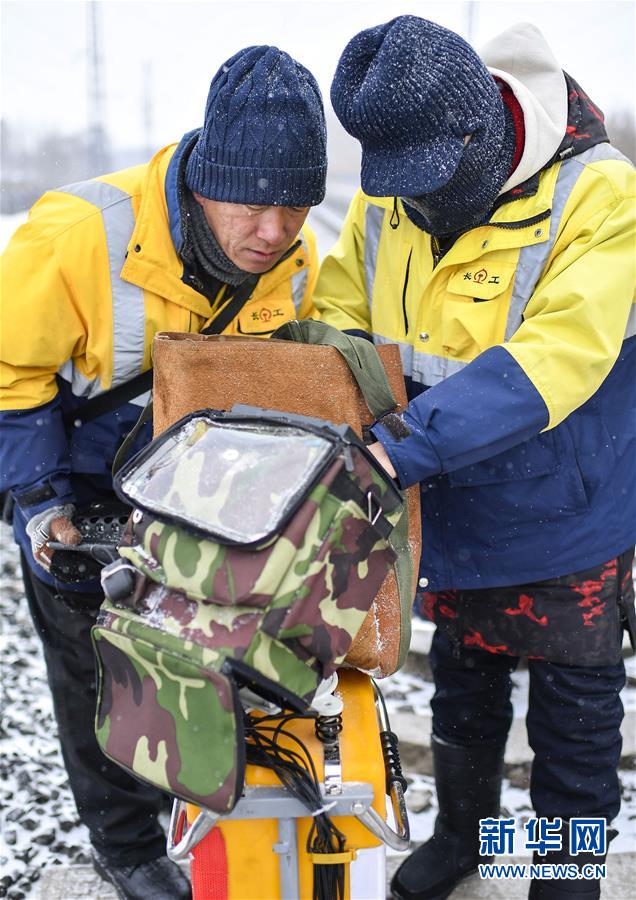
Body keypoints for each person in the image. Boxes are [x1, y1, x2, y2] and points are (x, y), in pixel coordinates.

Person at [316, 16, 635, 900]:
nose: (418, 206)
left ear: (482, 134)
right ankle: (467, 840)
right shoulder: (396, 190)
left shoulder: (601, 195)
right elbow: (342, 308)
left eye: (434, 185)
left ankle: (563, 875)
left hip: (567, 510)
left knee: (573, 718)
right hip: (447, 501)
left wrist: (401, 446)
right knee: (465, 689)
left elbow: (556, 356)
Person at [0, 45, 326, 899]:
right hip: (77, 484)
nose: (273, 231)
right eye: (254, 204)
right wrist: (41, 508)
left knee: (200, 643)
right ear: (204, 177)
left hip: (193, 484)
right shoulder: (76, 235)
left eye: (296, 206)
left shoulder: (295, 264)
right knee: (89, 656)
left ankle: (192, 791)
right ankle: (127, 840)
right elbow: (8, 377)